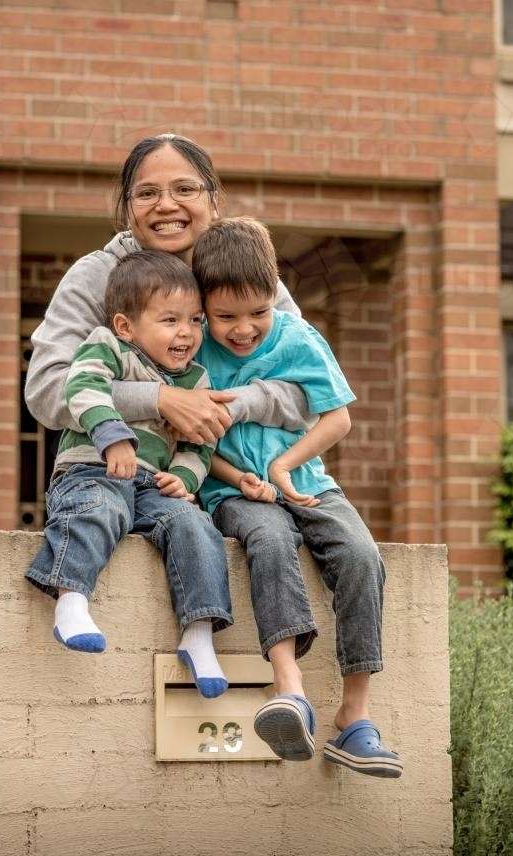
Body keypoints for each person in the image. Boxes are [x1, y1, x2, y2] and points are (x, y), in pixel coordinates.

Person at [23, 133, 310, 695]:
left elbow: (307, 392)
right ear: (127, 207)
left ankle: (300, 695)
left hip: (224, 486)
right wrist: (159, 400)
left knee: (297, 539)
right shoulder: (95, 278)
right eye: (147, 192)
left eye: (185, 188)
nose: (166, 204)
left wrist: (221, 406)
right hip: (117, 472)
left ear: (214, 200)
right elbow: (47, 389)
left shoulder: (252, 276)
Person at [191, 216, 404, 777]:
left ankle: (353, 717)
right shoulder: (192, 355)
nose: (244, 330)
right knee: (268, 537)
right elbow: (185, 441)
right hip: (233, 488)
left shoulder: (298, 336)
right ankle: (290, 689)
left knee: (362, 555)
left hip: (309, 482)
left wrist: (287, 463)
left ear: (274, 293)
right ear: (203, 308)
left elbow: (338, 419)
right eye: (226, 317)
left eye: (258, 312)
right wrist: (241, 479)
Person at [25, 249, 232, 699]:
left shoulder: (196, 379)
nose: (187, 332)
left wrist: (184, 476)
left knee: (194, 524)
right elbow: (81, 387)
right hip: (92, 469)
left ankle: (198, 633)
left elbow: (202, 441)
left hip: (151, 484)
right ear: (126, 325)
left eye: (195, 320)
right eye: (170, 320)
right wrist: (111, 435)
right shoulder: (108, 346)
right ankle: (71, 601)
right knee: (100, 508)